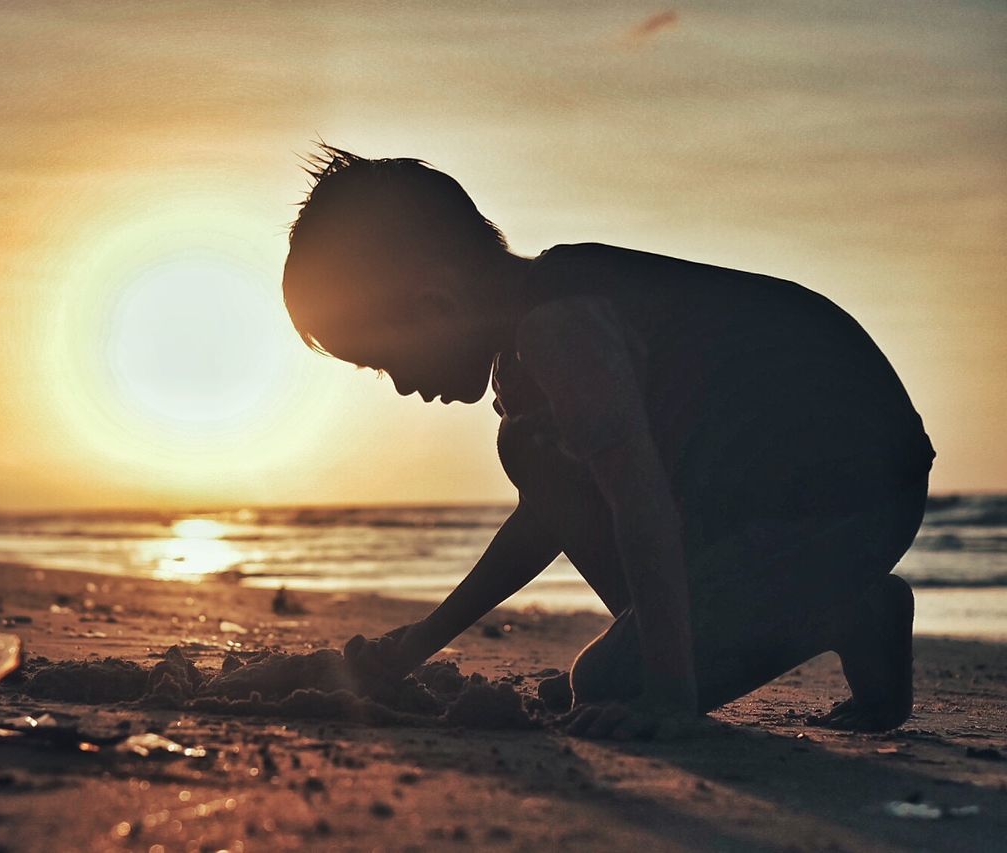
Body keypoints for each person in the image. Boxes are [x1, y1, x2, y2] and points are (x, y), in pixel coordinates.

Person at [281, 145, 936, 739]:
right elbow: (547, 517)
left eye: (384, 363)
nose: (399, 387)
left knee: (606, 682)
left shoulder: (561, 327)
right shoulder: (528, 353)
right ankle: (790, 611)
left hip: (843, 497)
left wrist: (668, 694)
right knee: (535, 453)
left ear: (436, 307)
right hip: (767, 501)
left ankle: (851, 608)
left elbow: (640, 500)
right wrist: (417, 643)